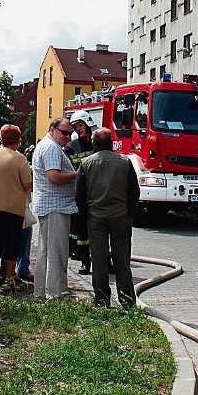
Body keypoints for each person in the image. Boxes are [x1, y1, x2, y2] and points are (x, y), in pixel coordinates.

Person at [75, 127, 140, 308]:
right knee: (122, 260)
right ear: (111, 143)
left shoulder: (86, 163)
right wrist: (129, 213)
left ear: (94, 143)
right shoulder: (125, 162)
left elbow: (79, 194)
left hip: (96, 217)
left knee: (99, 259)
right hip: (120, 216)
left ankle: (102, 299)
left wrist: (86, 213)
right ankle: (127, 301)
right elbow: (135, 192)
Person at [0, 124, 32, 292]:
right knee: (11, 245)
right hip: (12, 208)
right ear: (17, 140)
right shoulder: (20, 158)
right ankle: (8, 279)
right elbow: (27, 185)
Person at [31, 117, 78, 300]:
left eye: (70, 133)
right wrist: (79, 174)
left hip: (50, 205)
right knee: (56, 252)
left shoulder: (48, 145)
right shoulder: (51, 148)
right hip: (54, 206)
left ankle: (42, 291)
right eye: (64, 132)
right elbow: (54, 177)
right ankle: (56, 293)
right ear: (52, 129)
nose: (67, 136)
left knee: (46, 251)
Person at [63, 109, 95, 275]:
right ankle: (85, 262)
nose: (78, 129)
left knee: (102, 230)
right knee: (82, 232)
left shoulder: (98, 143)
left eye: (80, 125)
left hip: (98, 194)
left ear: (87, 123)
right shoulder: (71, 147)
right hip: (81, 194)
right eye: (75, 127)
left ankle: (106, 261)